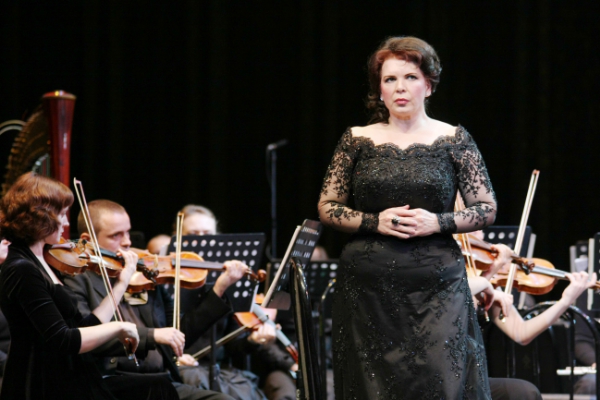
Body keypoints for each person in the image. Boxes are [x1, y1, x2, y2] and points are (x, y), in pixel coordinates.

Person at [317, 36, 497, 398]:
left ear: (428, 85)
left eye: (410, 77)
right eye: (390, 79)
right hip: (368, 287)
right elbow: (328, 205)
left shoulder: (454, 139)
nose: (400, 87)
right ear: (380, 91)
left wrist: (438, 222)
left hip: (437, 285)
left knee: (442, 384)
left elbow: (485, 207)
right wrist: (374, 221)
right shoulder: (356, 139)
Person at [0, 172, 178, 399]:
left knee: (160, 386)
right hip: (44, 383)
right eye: (62, 215)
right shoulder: (21, 267)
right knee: (157, 390)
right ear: (41, 217)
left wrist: (122, 282)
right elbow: (63, 340)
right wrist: (118, 327)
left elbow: (84, 326)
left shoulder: (42, 261)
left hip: (71, 374)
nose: (66, 223)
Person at [63, 199, 236, 400]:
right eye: (116, 235)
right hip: (114, 384)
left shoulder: (145, 274)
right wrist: (152, 335)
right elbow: (87, 336)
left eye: (127, 232)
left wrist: (218, 290)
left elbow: (179, 334)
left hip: (161, 380)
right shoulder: (78, 279)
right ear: (88, 239)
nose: (127, 242)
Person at [171, 204, 296, 400]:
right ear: (178, 238)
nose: (203, 240)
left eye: (208, 234)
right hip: (183, 369)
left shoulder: (227, 278)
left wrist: (253, 341)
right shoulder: (168, 277)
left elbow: (232, 346)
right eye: (194, 234)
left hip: (219, 369)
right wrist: (172, 357)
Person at [467, 240, 596, 400]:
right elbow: (459, 299)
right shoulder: (452, 275)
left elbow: (521, 333)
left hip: (472, 376)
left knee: (525, 392)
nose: (479, 238)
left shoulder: (486, 279)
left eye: (479, 232)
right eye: (472, 233)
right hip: (447, 371)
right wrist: (490, 273)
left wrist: (565, 301)